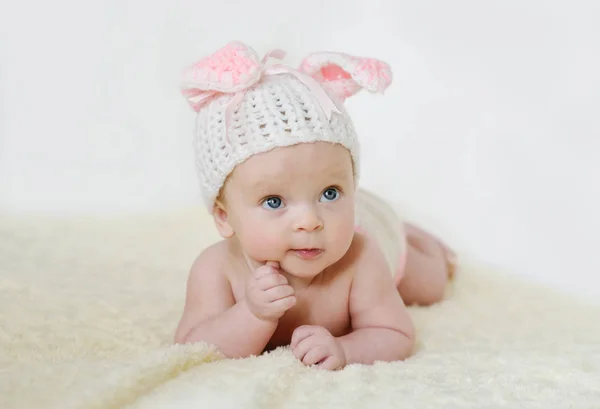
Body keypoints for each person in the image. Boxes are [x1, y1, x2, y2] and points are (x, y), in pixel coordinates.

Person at [174, 41, 455, 370]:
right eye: (274, 201)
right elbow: (192, 344)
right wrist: (250, 313)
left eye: (331, 192)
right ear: (224, 217)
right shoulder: (217, 270)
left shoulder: (362, 257)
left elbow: (394, 332)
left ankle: (418, 239)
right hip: (348, 220)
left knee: (432, 285)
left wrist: (346, 349)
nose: (309, 221)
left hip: (376, 225)